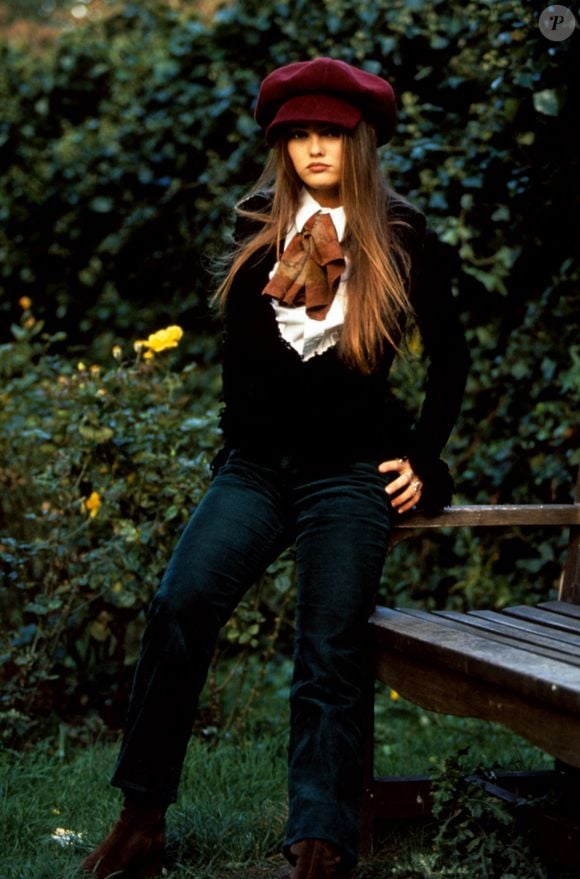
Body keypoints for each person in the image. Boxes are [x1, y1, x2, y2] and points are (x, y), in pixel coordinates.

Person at [80, 57, 470, 879]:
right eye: (298, 135)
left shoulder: (402, 237)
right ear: (281, 146)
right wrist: (235, 452)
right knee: (180, 603)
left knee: (330, 643)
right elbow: (238, 366)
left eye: (330, 133)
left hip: (350, 473)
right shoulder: (255, 225)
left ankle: (319, 839)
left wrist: (426, 462)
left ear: (358, 141)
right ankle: (142, 815)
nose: (315, 149)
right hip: (254, 468)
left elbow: (451, 362)